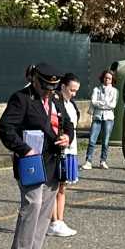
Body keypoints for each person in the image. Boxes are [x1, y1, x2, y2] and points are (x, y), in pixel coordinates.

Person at [0, 62, 70, 249]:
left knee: (45, 210)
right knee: (32, 205)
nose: (49, 90)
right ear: (35, 80)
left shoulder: (56, 99)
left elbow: (67, 123)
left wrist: (67, 136)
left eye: (52, 87)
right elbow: (5, 128)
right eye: (45, 86)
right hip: (31, 160)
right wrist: (23, 148)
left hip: (52, 161)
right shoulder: (22, 99)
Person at [48, 73, 82, 238]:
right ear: (62, 87)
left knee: (63, 186)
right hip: (60, 149)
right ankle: (53, 221)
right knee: (55, 186)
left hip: (71, 148)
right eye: (71, 90)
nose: (74, 93)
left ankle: (60, 220)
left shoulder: (71, 104)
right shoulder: (55, 102)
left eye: (76, 91)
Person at [87, 69, 119, 168]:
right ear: (102, 78)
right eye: (105, 78)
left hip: (108, 118)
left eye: (109, 78)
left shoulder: (114, 91)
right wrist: (104, 104)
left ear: (112, 79)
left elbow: (113, 105)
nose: (107, 80)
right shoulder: (96, 89)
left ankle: (103, 161)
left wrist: (100, 103)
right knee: (92, 139)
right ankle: (88, 161)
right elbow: (93, 101)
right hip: (97, 117)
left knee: (105, 141)